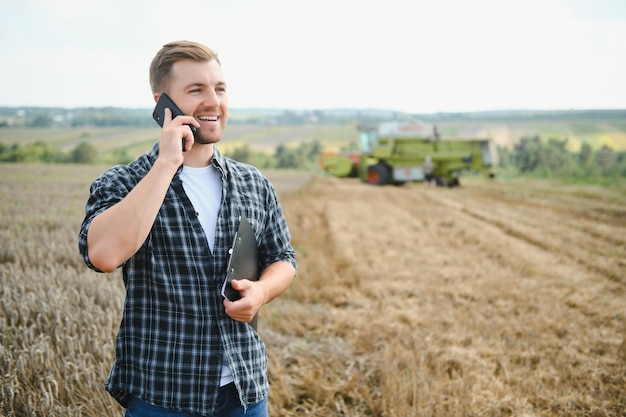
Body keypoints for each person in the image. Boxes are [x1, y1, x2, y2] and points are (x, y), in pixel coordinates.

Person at [78, 40, 297, 417]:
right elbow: (103, 255)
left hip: (245, 392)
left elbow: (283, 258)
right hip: (163, 395)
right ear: (162, 103)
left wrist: (261, 291)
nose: (213, 101)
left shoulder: (253, 182)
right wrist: (166, 164)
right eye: (196, 90)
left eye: (220, 88)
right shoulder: (123, 182)